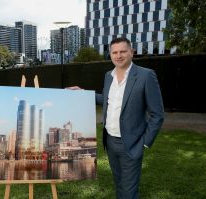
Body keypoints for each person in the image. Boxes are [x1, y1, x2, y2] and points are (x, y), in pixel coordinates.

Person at [68, 37, 164, 199]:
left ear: (131, 52)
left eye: (123, 51)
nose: (119, 55)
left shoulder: (146, 76)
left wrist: (145, 143)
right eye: (115, 52)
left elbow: (158, 114)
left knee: (128, 191)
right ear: (110, 55)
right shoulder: (109, 76)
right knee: (119, 183)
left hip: (132, 144)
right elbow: (106, 99)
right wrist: (83, 93)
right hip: (110, 142)